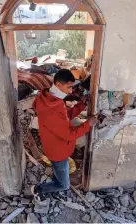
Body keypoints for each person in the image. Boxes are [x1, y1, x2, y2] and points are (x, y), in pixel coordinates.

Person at [31, 69, 98, 203]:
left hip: (54, 146)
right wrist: (88, 124)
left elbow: (65, 118)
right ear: (58, 84)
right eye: (69, 87)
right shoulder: (53, 109)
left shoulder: (48, 99)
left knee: (60, 173)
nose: (71, 91)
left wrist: (81, 105)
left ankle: (56, 179)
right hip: (58, 152)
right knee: (64, 185)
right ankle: (39, 189)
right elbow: (69, 134)